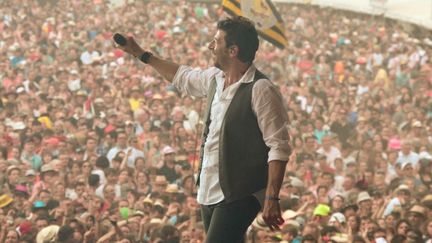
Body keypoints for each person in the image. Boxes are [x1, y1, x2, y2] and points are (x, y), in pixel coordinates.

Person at [116, 16, 291, 242]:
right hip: (209, 188)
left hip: (241, 193)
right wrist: (142, 54)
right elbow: (181, 76)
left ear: (233, 50)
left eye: (216, 42)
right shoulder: (214, 79)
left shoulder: (261, 89)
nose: (210, 46)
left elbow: (279, 147)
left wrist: (271, 198)